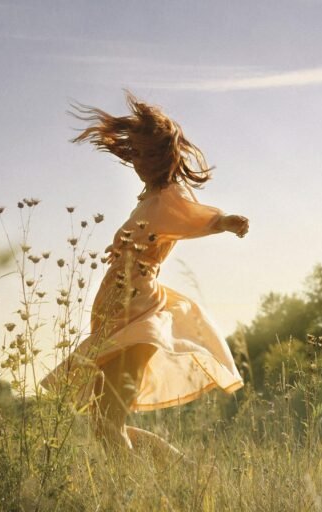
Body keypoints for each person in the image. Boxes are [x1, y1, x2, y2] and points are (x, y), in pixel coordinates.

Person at [41, 91, 248, 461]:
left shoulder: (169, 196)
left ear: (162, 156)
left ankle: (152, 487)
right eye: (135, 153)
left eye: (145, 154)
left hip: (137, 310)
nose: (138, 161)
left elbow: (194, 218)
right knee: (102, 422)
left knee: (107, 424)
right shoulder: (150, 197)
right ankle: (184, 471)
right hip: (114, 311)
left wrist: (225, 223)